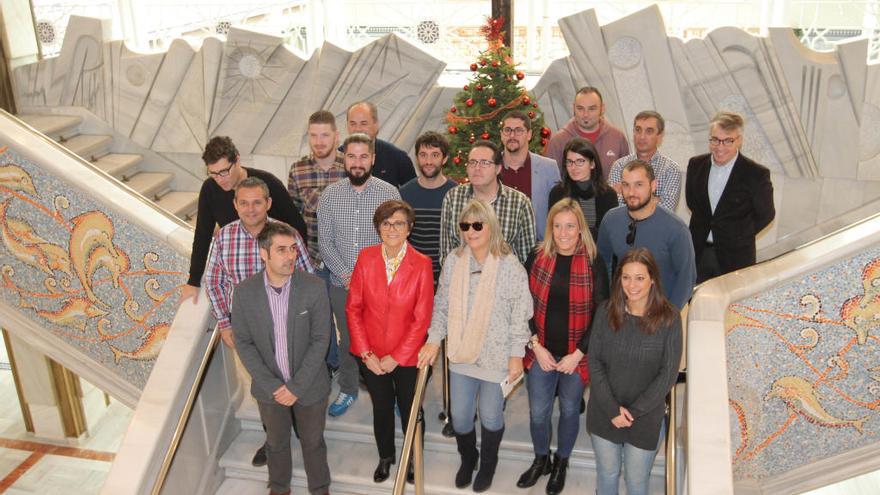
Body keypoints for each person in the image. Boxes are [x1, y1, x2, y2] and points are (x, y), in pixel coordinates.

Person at [418, 199, 532, 493]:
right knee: (460, 416)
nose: (471, 231)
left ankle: (489, 464)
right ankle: (468, 458)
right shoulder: (454, 261)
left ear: (490, 226)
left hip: (496, 358)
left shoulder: (509, 265)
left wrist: (516, 354)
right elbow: (441, 306)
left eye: (477, 225)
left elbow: (520, 314)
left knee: (492, 415)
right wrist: (433, 339)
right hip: (460, 353)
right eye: (465, 225)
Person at [203, 177, 312, 468]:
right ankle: (274, 438)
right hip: (249, 331)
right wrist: (225, 323)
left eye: (257, 202)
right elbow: (213, 282)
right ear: (235, 205)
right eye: (244, 203)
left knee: (295, 375)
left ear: (268, 203)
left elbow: (308, 279)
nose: (251, 209)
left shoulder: (286, 234)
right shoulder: (224, 237)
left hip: (290, 324)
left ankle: (302, 425)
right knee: (265, 386)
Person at [231, 222, 332, 495]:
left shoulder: (313, 287)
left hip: (310, 385)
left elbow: (321, 340)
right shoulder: (243, 293)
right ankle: (279, 487)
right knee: (275, 443)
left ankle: (320, 489)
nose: (290, 256)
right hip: (269, 389)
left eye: (293, 249)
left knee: (313, 442)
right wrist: (274, 386)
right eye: (281, 250)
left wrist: (296, 387)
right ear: (264, 253)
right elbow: (243, 342)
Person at [517, 198, 608, 495]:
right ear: (550, 227)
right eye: (557, 226)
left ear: (580, 228)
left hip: (576, 355)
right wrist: (536, 346)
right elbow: (522, 305)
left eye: (570, 226)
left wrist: (578, 353)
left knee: (570, 410)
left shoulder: (594, 262)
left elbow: (601, 314)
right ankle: (541, 458)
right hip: (540, 350)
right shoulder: (537, 256)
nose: (564, 232)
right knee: (537, 413)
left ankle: (561, 462)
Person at [346, 200, 434, 484]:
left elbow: (422, 319)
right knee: (381, 407)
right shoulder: (366, 258)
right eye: (386, 223)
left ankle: (412, 458)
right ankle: (386, 455)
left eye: (398, 222)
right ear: (378, 228)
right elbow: (353, 308)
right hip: (371, 354)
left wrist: (397, 356)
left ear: (409, 228)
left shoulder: (422, 264)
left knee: (411, 408)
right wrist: (366, 353)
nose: (392, 228)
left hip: (407, 357)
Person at [318, 133, 401, 417]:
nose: (357, 162)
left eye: (363, 156)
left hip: (381, 286)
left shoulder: (389, 194)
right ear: (344, 158)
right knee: (349, 340)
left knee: (385, 339)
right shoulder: (330, 196)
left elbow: (396, 240)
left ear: (373, 159)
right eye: (351, 156)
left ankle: (393, 395)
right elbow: (325, 241)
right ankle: (349, 388)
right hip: (342, 284)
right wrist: (345, 275)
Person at [587, 248, 682, 495]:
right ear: (619, 279)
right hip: (604, 413)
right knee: (606, 475)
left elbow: (668, 374)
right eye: (626, 277)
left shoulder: (670, 318)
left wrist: (633, 412)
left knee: (637, 482)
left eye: (640, 277)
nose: (632, 285)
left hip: (645, 418)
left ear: (652, 280)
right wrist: (612, 409)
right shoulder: (605, 312)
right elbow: (594, 362)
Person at [180, 135, 307, 305]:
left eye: (225, 171)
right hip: (241, 275)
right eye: (214, 174)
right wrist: (193, 280)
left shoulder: (268, 183)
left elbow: (297, 227)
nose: (220, 179)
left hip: (275, 272)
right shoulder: (210, 189)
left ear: (237, 160)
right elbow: (202, 235)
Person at [288, 110, 347, 375]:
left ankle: (350, 369)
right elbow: (292, 217)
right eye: (314, 136)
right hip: (312, 259)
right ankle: (329, 365)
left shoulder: (350, 168)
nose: (319, 141)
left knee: (348, 319)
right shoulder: (298, 170)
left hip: (346, 261)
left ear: (336, 136)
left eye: (325, 135)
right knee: (318, 321)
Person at [685, 111, 775, 283]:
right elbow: (692, 203)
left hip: (736, 257)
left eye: (728, 141)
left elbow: (766, 214)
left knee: (731, 308)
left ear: (739, 141)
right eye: (715, 140)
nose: (720, 147)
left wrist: (738, 233)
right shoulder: (696, 165)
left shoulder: (756, 174)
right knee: (694, 304)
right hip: (698, 252)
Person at [597, 160, 695, 310]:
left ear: (653, 185)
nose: (631, 192)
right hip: (622, 313)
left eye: (639, 185)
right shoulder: (611, 220)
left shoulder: (676, 229)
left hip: (660, 314)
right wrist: (611, 303)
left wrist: (669, 316)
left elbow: (686, 279)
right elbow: (602, 264)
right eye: (626, 185)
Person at [440, 140, 536, 265]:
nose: (477, 168)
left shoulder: (519, 203)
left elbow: (527, 257)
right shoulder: (452, 198)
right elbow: (446, 253)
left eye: (484, 163)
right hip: (461, 278)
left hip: (505, 279)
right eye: (472, 162)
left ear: (498, 169)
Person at [399, 131, 458, 283]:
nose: (428, 161)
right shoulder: (404, 194)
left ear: (444, 159)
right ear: (417, 158)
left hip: (448, 278)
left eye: (435, 155)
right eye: (423, 155)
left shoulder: (456, 194)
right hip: (413, 278)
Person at [498, 110, 561, 240]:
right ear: (501, 135)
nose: (512, 135)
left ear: (529, 134)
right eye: (507, 130)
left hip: (538, 248)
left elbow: (558, 211)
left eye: (519, 130)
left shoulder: (548, 168)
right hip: (498, 248)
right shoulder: (490, 166)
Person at [543, 87, 629, 180]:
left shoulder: (617, 137)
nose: (585, 114)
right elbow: (550, 180)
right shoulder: (558, 141)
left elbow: (627, 176)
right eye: (580, 108)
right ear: (573, 108)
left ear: (602, 109)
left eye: (592, 109)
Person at [608, 111, 682, 211]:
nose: (642, 136)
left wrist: (627, 198)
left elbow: (666, 210)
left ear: (659, 136)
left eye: (649, 131)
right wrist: (654, 200)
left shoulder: (670, 169)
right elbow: (615, 206)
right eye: (638, 130)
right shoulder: (619, 166)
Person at [548, 138, 617, 242]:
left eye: (580, 161)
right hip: (566, 251)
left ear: (592, 164)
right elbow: (553, 231)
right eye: (569, 162)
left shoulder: (608, 194)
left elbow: (609, 234)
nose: (574, 167)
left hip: (599, 253)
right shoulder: (557, 193)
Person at [346, 101, 417, 187]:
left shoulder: (398, 158)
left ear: (376, 124)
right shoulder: (337, 158)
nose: (358, 129)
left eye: (363, 123)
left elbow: (412, 194)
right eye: (353, 123)